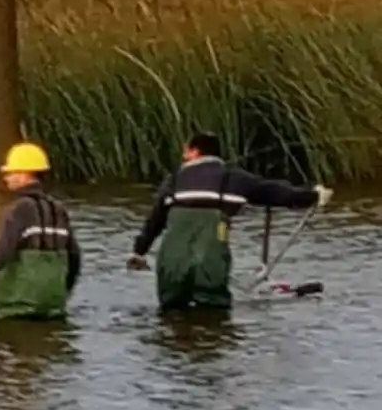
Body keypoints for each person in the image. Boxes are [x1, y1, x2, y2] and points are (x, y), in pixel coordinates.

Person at [126, 130, 333, 312]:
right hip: (210, 264)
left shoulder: (174, 180)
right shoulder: (234, 178)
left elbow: (154, 221)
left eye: (185, 151)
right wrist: (314, 196)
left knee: (171, 316)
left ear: (195, 152)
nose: (183, 156)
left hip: (170, 266)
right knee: (213, 317)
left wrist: (139, 252)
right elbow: (278, 193)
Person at [0, 141, 81, 319]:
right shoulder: (58, 209)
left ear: (25, 174)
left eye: (11, 172)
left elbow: (4, 251)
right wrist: (64, 290)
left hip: (20, 302)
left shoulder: (19, 209)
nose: (7, 177)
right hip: (53, 301)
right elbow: (74, 255)